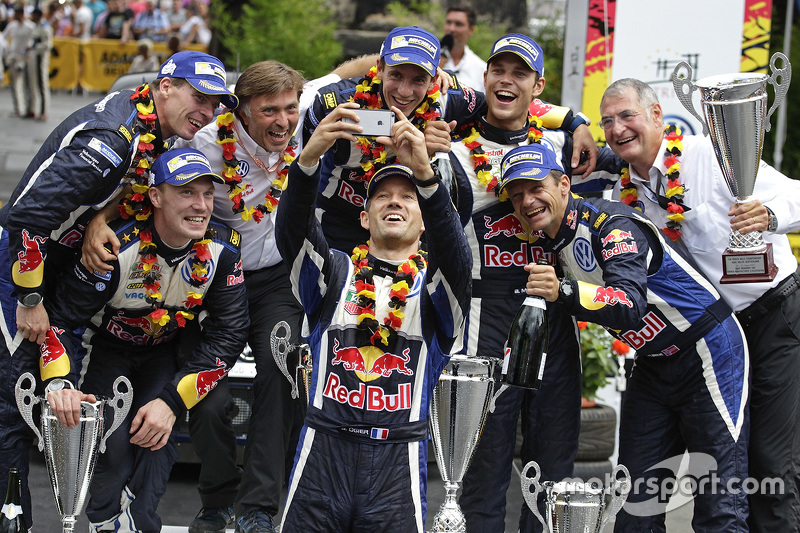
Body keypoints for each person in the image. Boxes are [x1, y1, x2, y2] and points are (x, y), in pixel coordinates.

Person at [0, 49, 237, 531]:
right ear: (165, 87)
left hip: (58, 264)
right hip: (23, 269)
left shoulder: (152, 130)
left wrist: (97, 219)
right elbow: (26, 217)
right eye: (199, 97)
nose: (208, 113)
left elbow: (119, 194)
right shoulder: (113, 137)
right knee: (13, 405)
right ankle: (13, 520)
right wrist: (29, 299)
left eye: (215, 104)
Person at [497, 142, 750, 532]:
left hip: (707, 350)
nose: (527, 201)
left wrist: (564, 292)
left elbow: (629, 305)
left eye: (535, 188)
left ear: (564, 184)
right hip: (652, 364)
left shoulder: (611, 224)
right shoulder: (548, 241)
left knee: (720, 502)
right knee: (633, 508)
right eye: (517, 196)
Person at [599, 78, 800, 533]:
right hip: (700, 341)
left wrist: (771, 217)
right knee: (661, 479)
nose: (617, 128)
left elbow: (797, 194)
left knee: (769, 466)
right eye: (607, 121)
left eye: (626, 115)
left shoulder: (711, 157)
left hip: (769, 320)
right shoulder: (623, 195)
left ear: (656, 116)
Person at [447, 33, 619, 532]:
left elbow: (634, 165)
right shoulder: (453, 150)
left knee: (554, 470)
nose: (507, 80)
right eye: (498, 70)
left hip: (554, 318)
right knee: (484, 471)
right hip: (485, 320)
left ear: (537, 86)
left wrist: (580, 123)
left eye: (520, 73)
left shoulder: (565, 148)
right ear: (485, 78)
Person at [277, 100, 471, 532]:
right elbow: (293, 233)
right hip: (323, 453)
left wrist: (426, 174)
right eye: (382, 196)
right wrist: (308, 159)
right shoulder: (335, 273)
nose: (394, 202)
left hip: (395, 463)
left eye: (407, 197)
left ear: (425, 224)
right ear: (364, 217)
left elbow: (457, 259)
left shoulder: (438, 289)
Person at [31, 147, 249, 532]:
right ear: (155, 197)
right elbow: (63, 318)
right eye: (186, 192)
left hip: (165, 351)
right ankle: (104, 522)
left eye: (207, 194)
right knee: (110, 447)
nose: (200, 206)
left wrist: (171, 401)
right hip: (107, 350)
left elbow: (230, 332)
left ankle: (140, 524)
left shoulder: (224, 249)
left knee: (155, 438)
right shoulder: (113, 247)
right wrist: (60, 384)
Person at [304, 25, 596, 254]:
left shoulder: (449, 97)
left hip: (404, 231)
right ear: (379, 69)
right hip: (335, 225)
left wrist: (574, 121)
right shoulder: (334, 103)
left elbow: (507, 103)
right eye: (396, 76)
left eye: (418, 79)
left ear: (434, 79)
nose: (405, 91)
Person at [440, 5, 485, 90]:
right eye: (448, 23)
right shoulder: (429, 60)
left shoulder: (481, 69)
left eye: (458, 24)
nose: (452, 28)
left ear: (471, 30)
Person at [3, 5, 33, 117]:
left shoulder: (30, 27)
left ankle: (25, 107)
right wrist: (8, 51)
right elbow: (4, 38)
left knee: (26, 85)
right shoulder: (12, 25)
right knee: (15, 84)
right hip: (13, 58)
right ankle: (19, 108)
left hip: (24, 59)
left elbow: (32, 42)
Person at [26, 7, 52, 121]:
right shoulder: (35, 26)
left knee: (42, 85)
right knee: (32, 84)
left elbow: (48, 45)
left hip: (40, 59)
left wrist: (34, 46)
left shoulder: (45, 28)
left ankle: (43, 111)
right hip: (33, 58)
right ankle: (32, 109)